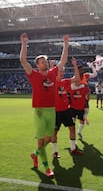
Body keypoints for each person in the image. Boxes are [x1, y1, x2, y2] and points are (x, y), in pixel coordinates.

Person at [20, 33, 69, 178]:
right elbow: (23, 60)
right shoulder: (33, 75)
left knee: (49, 138)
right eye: (41, 62)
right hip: (39, 111)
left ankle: (35, 155)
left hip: (52, 110)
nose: (44, 63)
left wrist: (65, 44)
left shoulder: (53, 73)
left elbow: (63, 61)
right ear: (37, 65)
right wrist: (24, 43)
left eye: (45, 61)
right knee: (41, 141)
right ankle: (47, 168)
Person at [51, 57, 84, 158]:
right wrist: (51, 67)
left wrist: (75, 66)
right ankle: (55, 151)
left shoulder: (65, 82)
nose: (61, 73)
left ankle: (73, 149)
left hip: (66, 110)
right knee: (55, 132)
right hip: (56, 111)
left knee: (72, 128)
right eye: (60, 71)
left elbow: (77, 79)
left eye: (63, 71)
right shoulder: (52, 82)